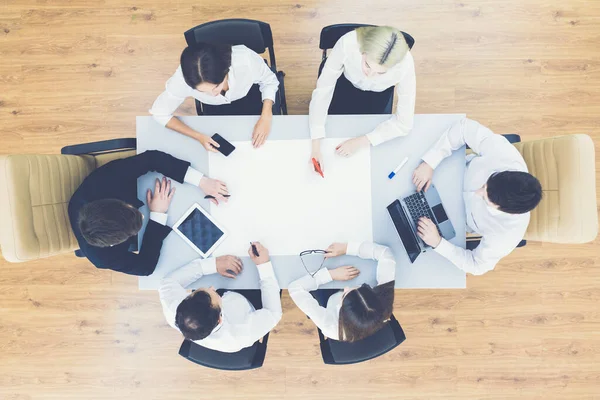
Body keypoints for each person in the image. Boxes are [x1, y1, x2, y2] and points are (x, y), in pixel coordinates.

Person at [412, 117, 543, 275]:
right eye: (484, 186)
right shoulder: (505, 156)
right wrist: (430, 162)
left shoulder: (507, 234)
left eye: (486, 199)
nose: (477, 192)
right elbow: (464, 127)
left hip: (456, 218)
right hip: (450, 171)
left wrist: (438, 243)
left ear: (505, 211)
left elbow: (477, 266)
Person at [68, 150, 229, 276]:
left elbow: (152, 159)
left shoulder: (105, 181)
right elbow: (146, 267)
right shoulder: (103, 258)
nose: (142, 214)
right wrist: (157, 215)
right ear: (116, 243)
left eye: (131, 209)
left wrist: (201, 181)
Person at [309, 26, 416, 173]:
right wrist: (316, 146)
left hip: (379, 96)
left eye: (380, 72)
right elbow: (323, 91)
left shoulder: (405, 65)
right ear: (363, 51)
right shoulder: (348, 43)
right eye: (367, 65)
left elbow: (404, 124)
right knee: (334, 123)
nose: (370, 75)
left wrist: (361, 141)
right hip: (345, 86)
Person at [150, 43, 280, 150]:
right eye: (202, 91)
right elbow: (159, 114)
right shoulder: (181, 81)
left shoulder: (245, 60)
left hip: (250, 96)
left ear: (226, 70)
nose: (213, 94)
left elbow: (269, 80)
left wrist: (266, 115)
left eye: (216, 86)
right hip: (215, 109)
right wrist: (198, 136)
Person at [159, 242, 282, 352]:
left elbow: (168, 282)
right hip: (244, 303)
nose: (212, 287)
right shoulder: (242, 333)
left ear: (185, 300)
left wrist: (213, 264)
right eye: (216, 294)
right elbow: (274, 313)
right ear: (220, 319)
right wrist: (264, 265)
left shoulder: (173, 310)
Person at [288, 241, 395, 342]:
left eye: (344, 295)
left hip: (329, 299)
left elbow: (295, 288)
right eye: (360, 287)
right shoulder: (383, 301)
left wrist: (331, 275)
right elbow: (386, 254)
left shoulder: (329, 325)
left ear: (342, 312)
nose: (346, 287)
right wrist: (347, 248)